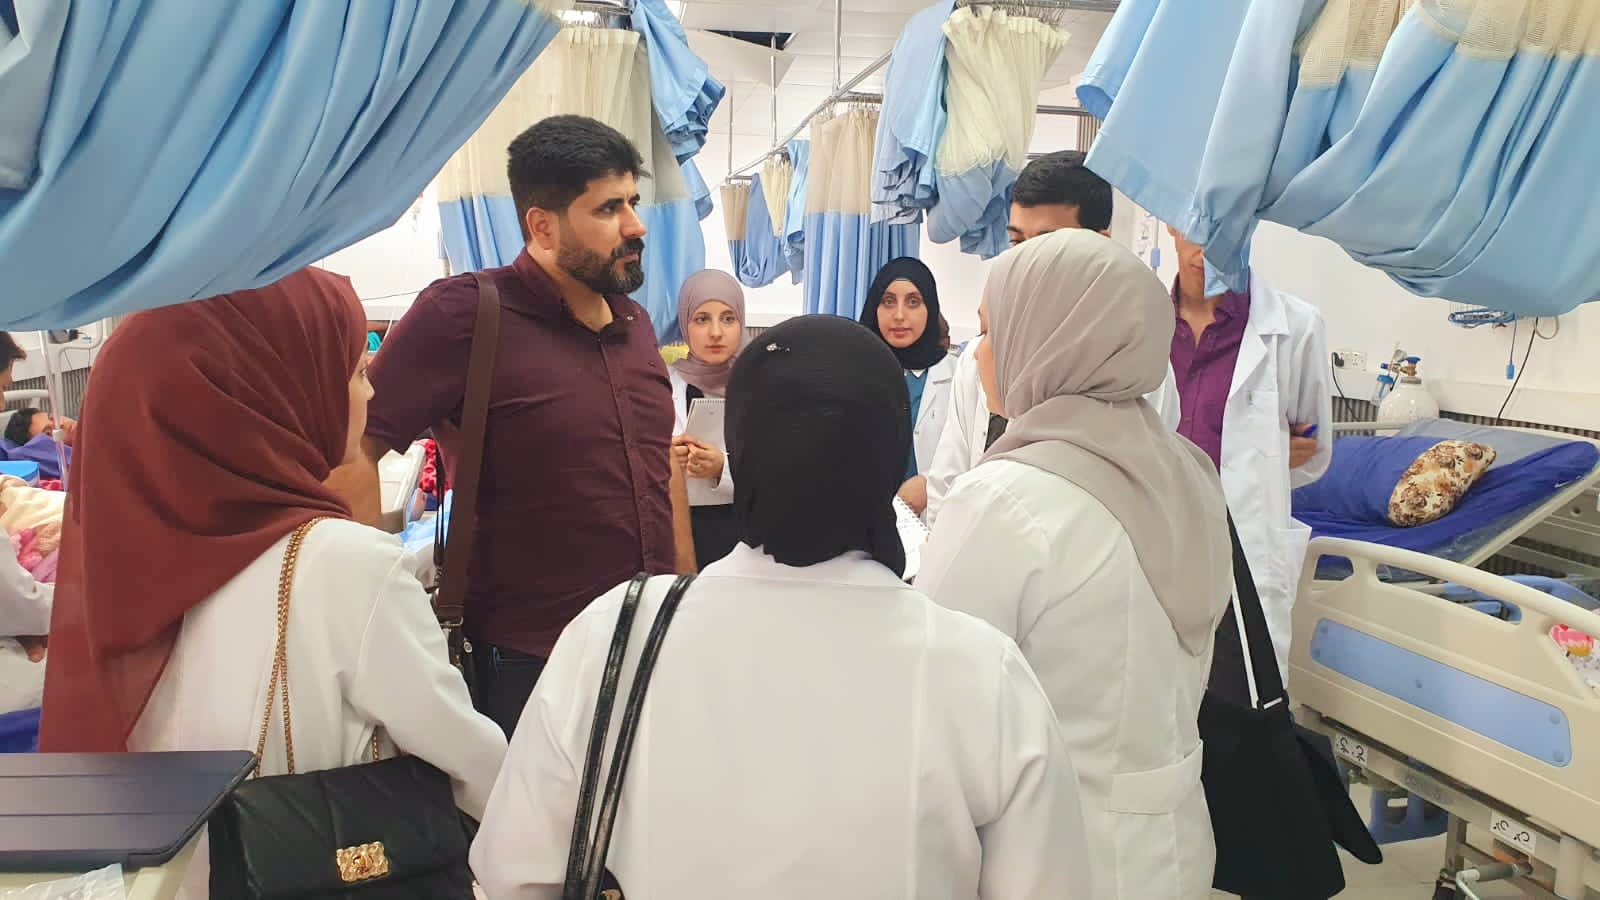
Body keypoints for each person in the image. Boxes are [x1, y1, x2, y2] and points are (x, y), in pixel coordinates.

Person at [472, 315, 1093, 899]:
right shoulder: (981, 672)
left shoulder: (616, 637)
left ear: (740, 445)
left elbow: (514, 872)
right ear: (888, 454)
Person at [37, 268, 506, 899]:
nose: (370, 394)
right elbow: (471, 762)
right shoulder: (347, 565)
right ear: (273, 391)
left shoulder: (118, 561)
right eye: (355, 373)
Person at [916, 230, 1233, 900]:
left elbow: (938, 710)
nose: (980, 355)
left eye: (992, 331)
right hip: (1175, 843)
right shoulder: (1189, 472)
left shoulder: (1004, 499)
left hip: (1059, 857)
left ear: (1052, 337)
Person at [341, 115, 680, 737]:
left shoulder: (635, 324)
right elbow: (356, 449)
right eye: (609, 208)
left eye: (634, 202)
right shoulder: (466, 313)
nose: (635, 226)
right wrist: (366, 604)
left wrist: (682, 593)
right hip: (530, 660)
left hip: (651, 644)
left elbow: (660, 471)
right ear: (542, 225)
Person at [924, 151, 1181, 528]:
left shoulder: (1136, 370)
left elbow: (1141, 501)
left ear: (1099, 245)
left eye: (1047, 244)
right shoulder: (982, 356)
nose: (1024, 263)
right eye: (1017, 243)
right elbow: (947, 485)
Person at [1167, 225, 1332, 683]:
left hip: (1242, 543)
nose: (1207, 249)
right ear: (1170, 223)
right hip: (1158, 533)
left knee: (1242, 694)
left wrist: (1263, 456)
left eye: (1226, 228)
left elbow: (1313, 450)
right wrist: (1268, 446)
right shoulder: (1140, 319)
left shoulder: (1295, 327)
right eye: (1196, 228)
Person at [858, 257, 957, 516]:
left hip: (934, 517)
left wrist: (930, 485)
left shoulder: (958, 376)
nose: (899, 315)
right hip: (865, 517)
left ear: (930, 308)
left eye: (913, 302)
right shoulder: (853, 371)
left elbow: (972, 456)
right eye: (888, 301)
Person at [668, 269, 746, 570]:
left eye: (728, 318)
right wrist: (667, 458)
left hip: (745, 532)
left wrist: (722, 467)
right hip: (681, 528)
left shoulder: (759, 385)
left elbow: (778, 469)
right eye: (701, 319)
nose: (716, 332)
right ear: (684, 323)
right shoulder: (662, 385)